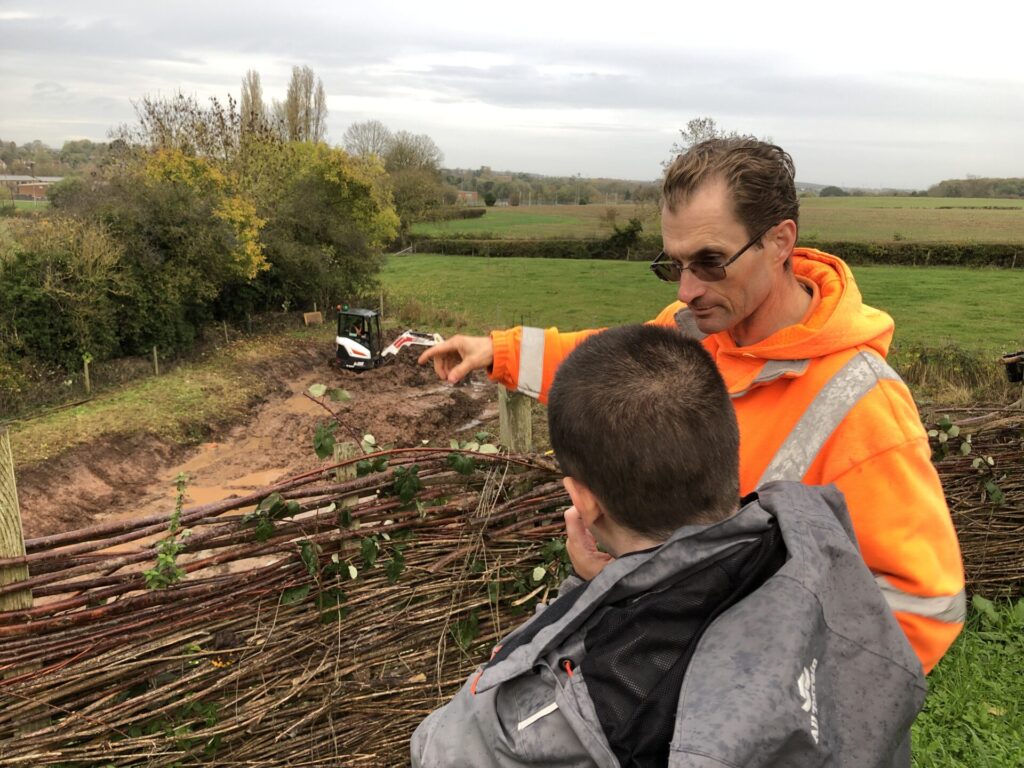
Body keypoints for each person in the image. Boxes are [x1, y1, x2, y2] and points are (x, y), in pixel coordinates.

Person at [420, 138, 965, 673]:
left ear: (780, 241)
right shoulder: (698, 331)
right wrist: (500, 352)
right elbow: (608, 369)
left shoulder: (865, 405)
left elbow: (923, 610)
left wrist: (761, 697)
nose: (686, 290)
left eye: (709, 262)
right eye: (673, 264)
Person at [411, 325, 926, 768]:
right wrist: (614, 582)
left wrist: (585, 596)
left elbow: (435, 747)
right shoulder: (817, 543)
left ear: (583, 504)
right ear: (727, 444)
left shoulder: (562, 717)